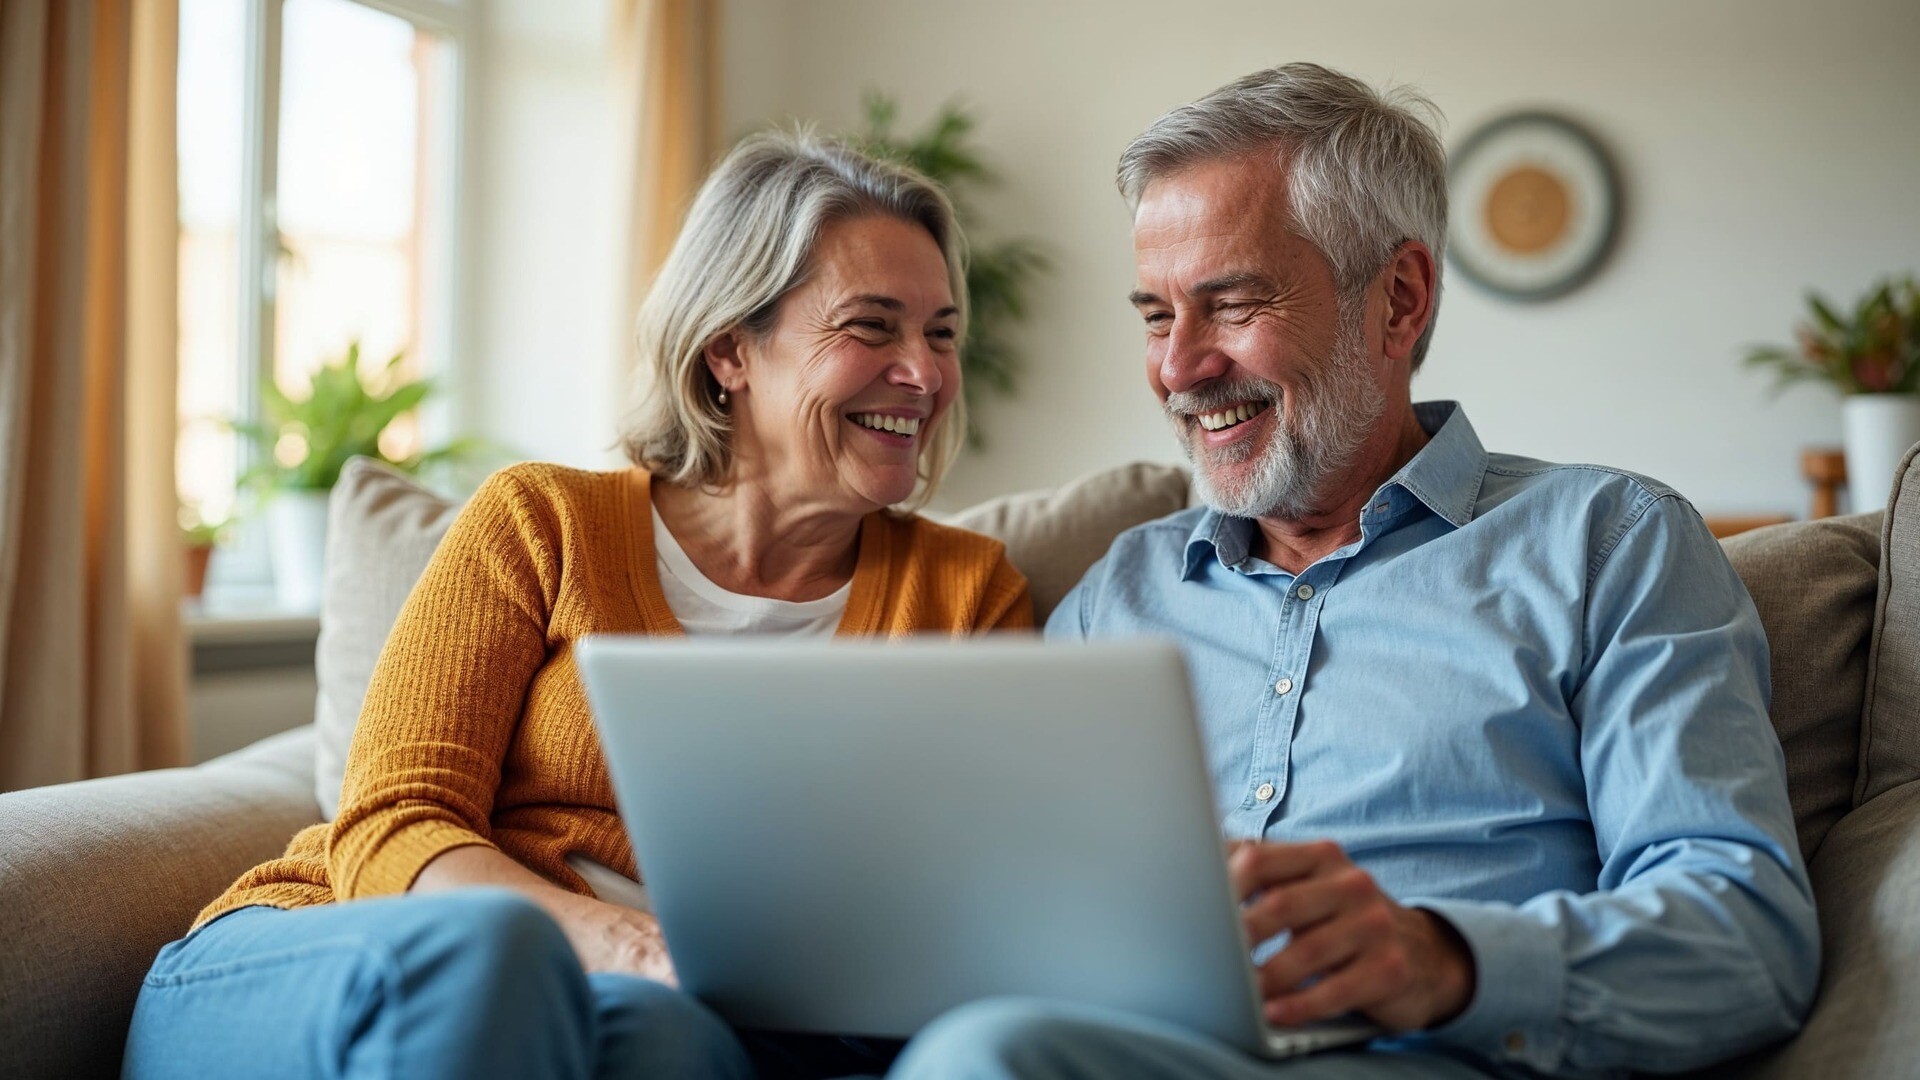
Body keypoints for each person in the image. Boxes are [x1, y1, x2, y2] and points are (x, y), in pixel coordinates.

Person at [890, 63, 1816, 1080]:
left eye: (1232, 303)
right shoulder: (1121, 592)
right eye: (1156, 315)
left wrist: (1443, 961)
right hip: (1127, 1051)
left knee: (986, 1056)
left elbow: (1748, 942)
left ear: (1399, 300)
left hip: (1435, 1057)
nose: (1178, 367)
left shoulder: (1608, 544)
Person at [122, 131, 1032, 1080]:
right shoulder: (542, 522)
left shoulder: (969, 596)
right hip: (338, 957)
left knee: (668, 1044)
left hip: (647, 1013)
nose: (925, 373)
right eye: (872, 327)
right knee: (502, 955)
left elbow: (985, 904)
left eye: (941, 333)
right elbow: (392, 823)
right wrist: (632, 946)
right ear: (730, 350)